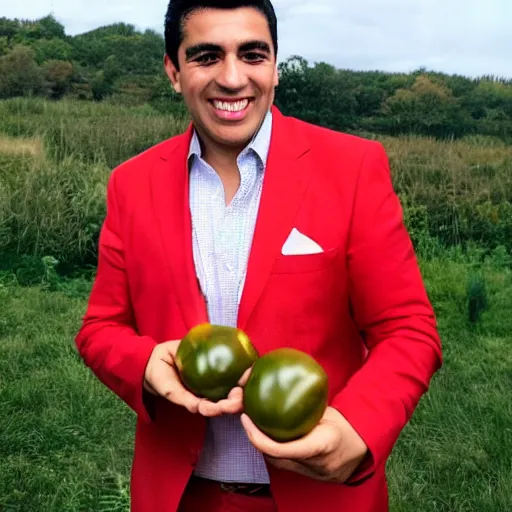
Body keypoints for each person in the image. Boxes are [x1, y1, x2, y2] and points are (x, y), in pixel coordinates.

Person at [74, 0, 443, 511]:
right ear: (173, 71)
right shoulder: (132, 184)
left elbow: (408, 328)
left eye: (252, 55)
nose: (232, 78)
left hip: (319, 497)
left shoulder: (352, 168)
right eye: (206, 56)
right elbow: (100, 328)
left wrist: (358, 427)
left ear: (274, 66)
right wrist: (144, 364)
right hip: (182, 496)